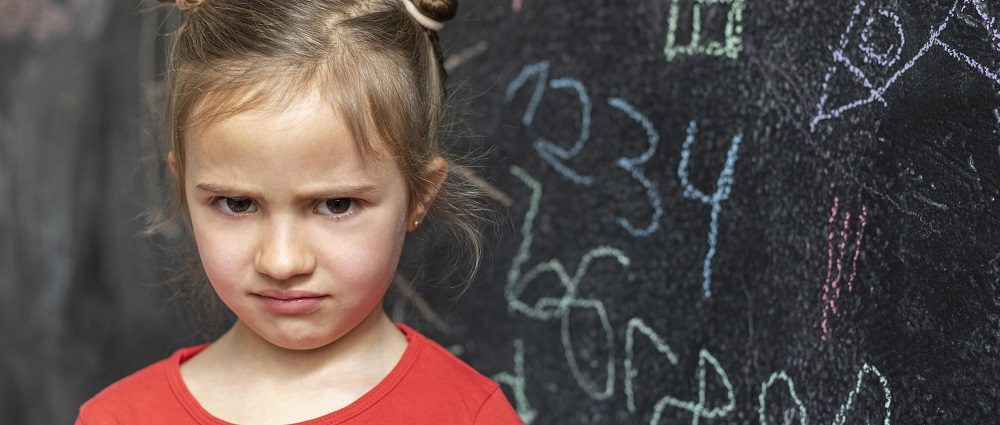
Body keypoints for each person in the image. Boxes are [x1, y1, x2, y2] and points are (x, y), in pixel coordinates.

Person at [76, 0, 522, 423]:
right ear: (182, 189)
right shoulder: (117, 418)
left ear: (419, 195)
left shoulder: (467, 416)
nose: (281, 262)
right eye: (236, 204)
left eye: (337, 205)